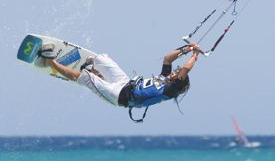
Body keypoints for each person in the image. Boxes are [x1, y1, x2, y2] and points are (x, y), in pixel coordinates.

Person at [35, 42, 201, 122]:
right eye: (176, 70)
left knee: (85, 78)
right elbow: (167, 58)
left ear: (180, 82)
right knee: (101, 58)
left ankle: (50, 62)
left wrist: (195, 55)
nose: (176, 71)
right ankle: (95, 69)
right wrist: (187, 49)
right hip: (125, 83)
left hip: (118, 97)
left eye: (178, 73)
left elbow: (186, 69)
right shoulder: (164, 77)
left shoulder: (170, 90)